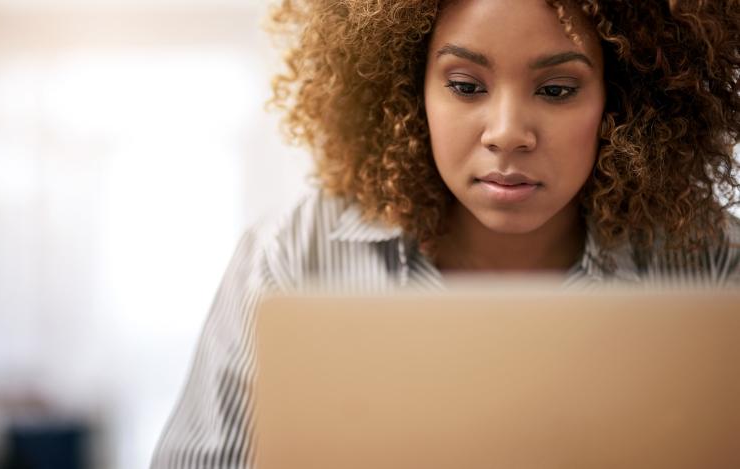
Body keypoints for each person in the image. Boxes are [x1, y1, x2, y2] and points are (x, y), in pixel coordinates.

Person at [150, 0, 740, 467]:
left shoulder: (714, 263)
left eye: (557, 90)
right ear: (410, 91)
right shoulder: (291, 253)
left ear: (623, 101)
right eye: (465, 85)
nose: (508, 133)